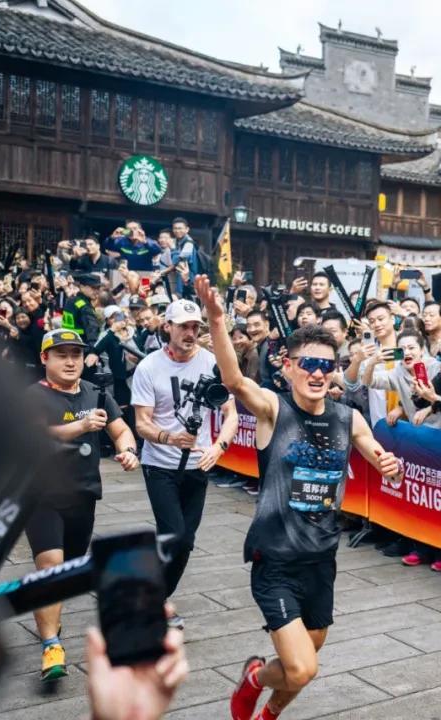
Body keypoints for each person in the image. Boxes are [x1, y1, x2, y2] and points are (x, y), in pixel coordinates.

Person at [194, 275, 400, 720]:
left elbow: (377, 453)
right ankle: (254, 678)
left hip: (322, 560)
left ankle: (266, 709)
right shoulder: (274, 409)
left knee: (306, 655)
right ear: (288, 366)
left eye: (327, 365)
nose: (318, 373)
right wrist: (216, 321)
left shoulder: (348, 418)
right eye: (308, 363)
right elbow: (234, 380)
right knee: (303, 668)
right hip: (276, 562)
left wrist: (390, 465)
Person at [25, 328, 140, 680]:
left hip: (83, 495)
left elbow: (121, 429)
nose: (70, 361)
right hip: (41, 497)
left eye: (75, 354)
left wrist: (127, 450)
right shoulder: (32, 396)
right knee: (50, 566)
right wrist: (81, 425)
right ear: (45, 358)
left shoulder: (96, 393)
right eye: (61, 355)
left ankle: (50, 620)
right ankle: (51, 646)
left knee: (66, 571)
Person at [131, 298, 239, 628]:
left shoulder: (211, 362)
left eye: (195, 327)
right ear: (168, 327)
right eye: (183, 326)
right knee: (175, 535)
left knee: (185, 543)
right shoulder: (149, 366)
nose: (190, 333)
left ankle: (155, 597)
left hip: (197, 465)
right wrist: (168, 438)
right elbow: (142, 423)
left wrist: (219, 447)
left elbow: (232, 414)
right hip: (159, 465)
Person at [63, 273, 102, 362]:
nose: (96, 291)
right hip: (83, 352)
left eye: (98, 288)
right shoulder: (84, 307)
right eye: (93, 288)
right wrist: (94, 351)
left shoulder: (71, 301)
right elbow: (92, 331)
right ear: (82, 286)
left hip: (67, 346)